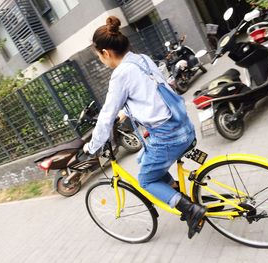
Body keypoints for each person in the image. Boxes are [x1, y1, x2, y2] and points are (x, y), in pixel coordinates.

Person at [83, 16, 206, 239]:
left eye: (99, 57)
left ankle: (190, 209)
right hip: (184, 126)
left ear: (106, 53)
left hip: (168, 136)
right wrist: (126, 113)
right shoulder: (142, 59)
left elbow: (105, 116)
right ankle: (176, 191)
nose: (102, 61)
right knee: (142, 159)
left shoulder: (120, 75)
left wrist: (92, 147)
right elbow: (151, 94)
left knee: (146, 180)